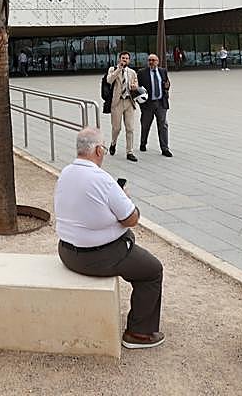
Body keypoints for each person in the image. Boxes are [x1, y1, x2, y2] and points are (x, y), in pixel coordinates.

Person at [54, 126, 165, 349]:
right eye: (103, 148)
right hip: (98, 256)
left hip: (67, 252)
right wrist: (124, 198)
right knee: (152, 270)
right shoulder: (101, 179)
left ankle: (139, 329)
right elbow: (131, 218)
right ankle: (139, 333)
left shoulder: (65, 173)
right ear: (97, 150)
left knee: (129, 241)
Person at [106, 51, 140, 162]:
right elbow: (109, 80)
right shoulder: (113, 69)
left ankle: (129, 151)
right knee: (117, 128)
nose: (124, 60)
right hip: (117, 102)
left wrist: (135, 86)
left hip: (129, 102)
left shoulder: (132, 72)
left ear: (129, 60)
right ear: (119, 59)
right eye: (123, 58)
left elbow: (136, 85)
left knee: (130, 128)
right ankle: (113, 143)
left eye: (126, 58)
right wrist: (119, 69)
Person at [136, 54, 172, 156]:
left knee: (163, 125)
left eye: (153, 60)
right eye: (149, 60)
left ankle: (165, 148)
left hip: (161, 103)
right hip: (148, 104)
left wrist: (167, 86)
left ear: (158, 61)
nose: (151, 62)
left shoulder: (162, 71)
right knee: (145, 125)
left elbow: (166, 83)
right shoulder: (142, 73)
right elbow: (137, 88)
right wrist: (140, 102)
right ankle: (143, 143)